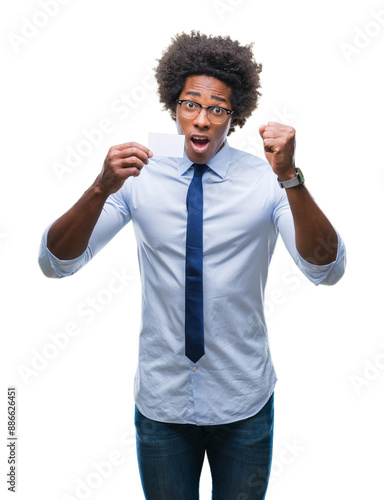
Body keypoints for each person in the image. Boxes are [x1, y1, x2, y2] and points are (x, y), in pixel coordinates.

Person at [38, 31, 346, 500]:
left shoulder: (266, 181)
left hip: (243, 399)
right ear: (173, 105)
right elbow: (55, 262)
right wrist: (99, 188)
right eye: (190, 104)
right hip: (163, 403)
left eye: (217, 109)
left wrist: (291, 178)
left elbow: (326, 267)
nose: (201, 121)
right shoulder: (139, 177)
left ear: (234, 115)